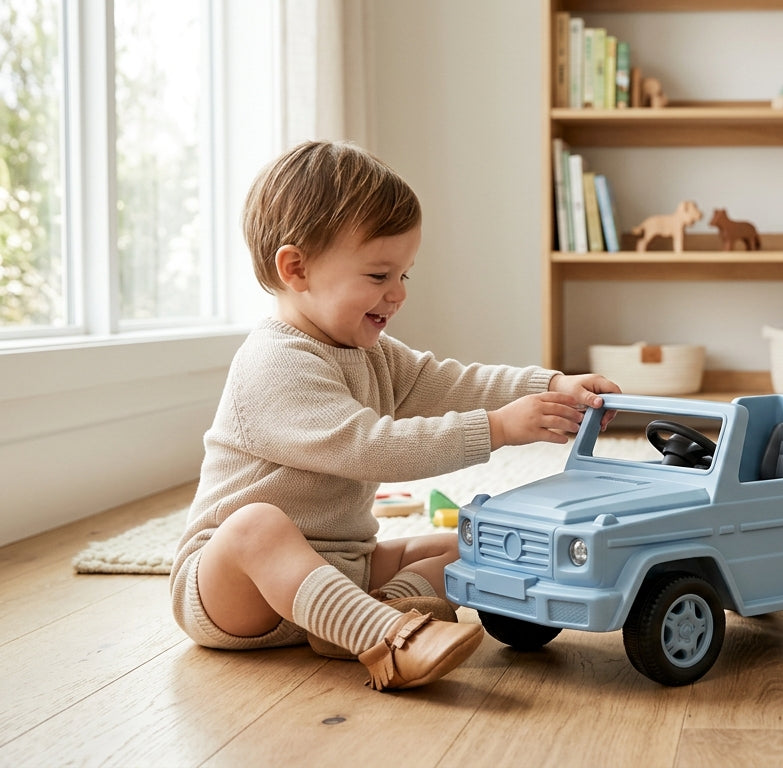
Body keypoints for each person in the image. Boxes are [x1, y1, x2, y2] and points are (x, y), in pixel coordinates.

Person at [170, 140, 619, 691]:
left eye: (406, 274)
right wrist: (498, 428)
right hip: (235, 590)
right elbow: (368, 448)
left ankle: (370, 612)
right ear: (297, 269)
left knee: (477, 540)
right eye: (379, 275)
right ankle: (386, 636)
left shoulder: (371, 354)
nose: (398, 294)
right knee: (256, 525)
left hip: (340, 569)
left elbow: (451, 382)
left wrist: (550, 384)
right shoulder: (274, 364)